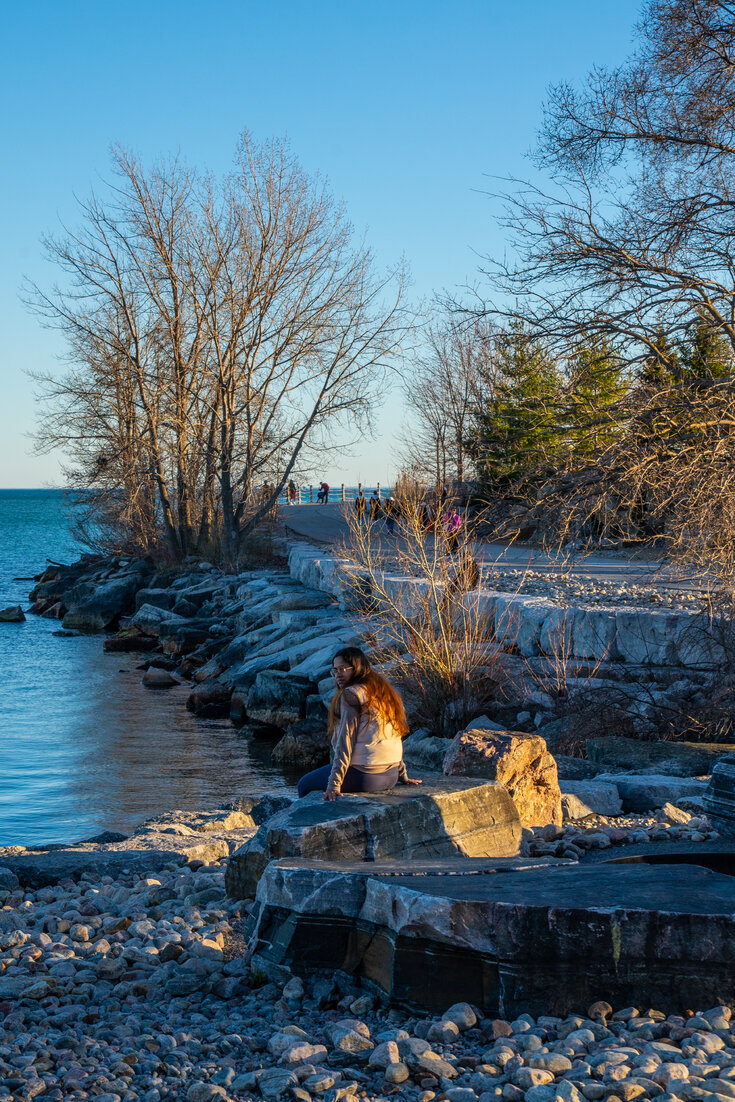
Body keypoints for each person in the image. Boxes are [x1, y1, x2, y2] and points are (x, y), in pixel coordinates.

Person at [297, 647, 422, 800]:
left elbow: (346, 741)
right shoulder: (383, 690)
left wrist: (334, 785)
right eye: (335, 670)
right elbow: (393, 734)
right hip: (390, 776)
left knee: (304, 784)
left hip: (367, 777)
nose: (338, 675)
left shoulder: (352, 694)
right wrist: (402, 775)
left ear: (356, 667)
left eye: (343, 669)